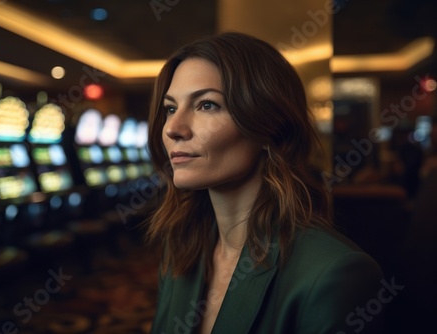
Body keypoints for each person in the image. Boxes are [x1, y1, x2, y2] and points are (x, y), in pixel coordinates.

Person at [146, 32, 384, 334]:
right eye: (170, 108)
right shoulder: (179, 246)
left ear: (268, 126)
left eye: (206, 105)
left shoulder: (336, 273)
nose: (173, 129)